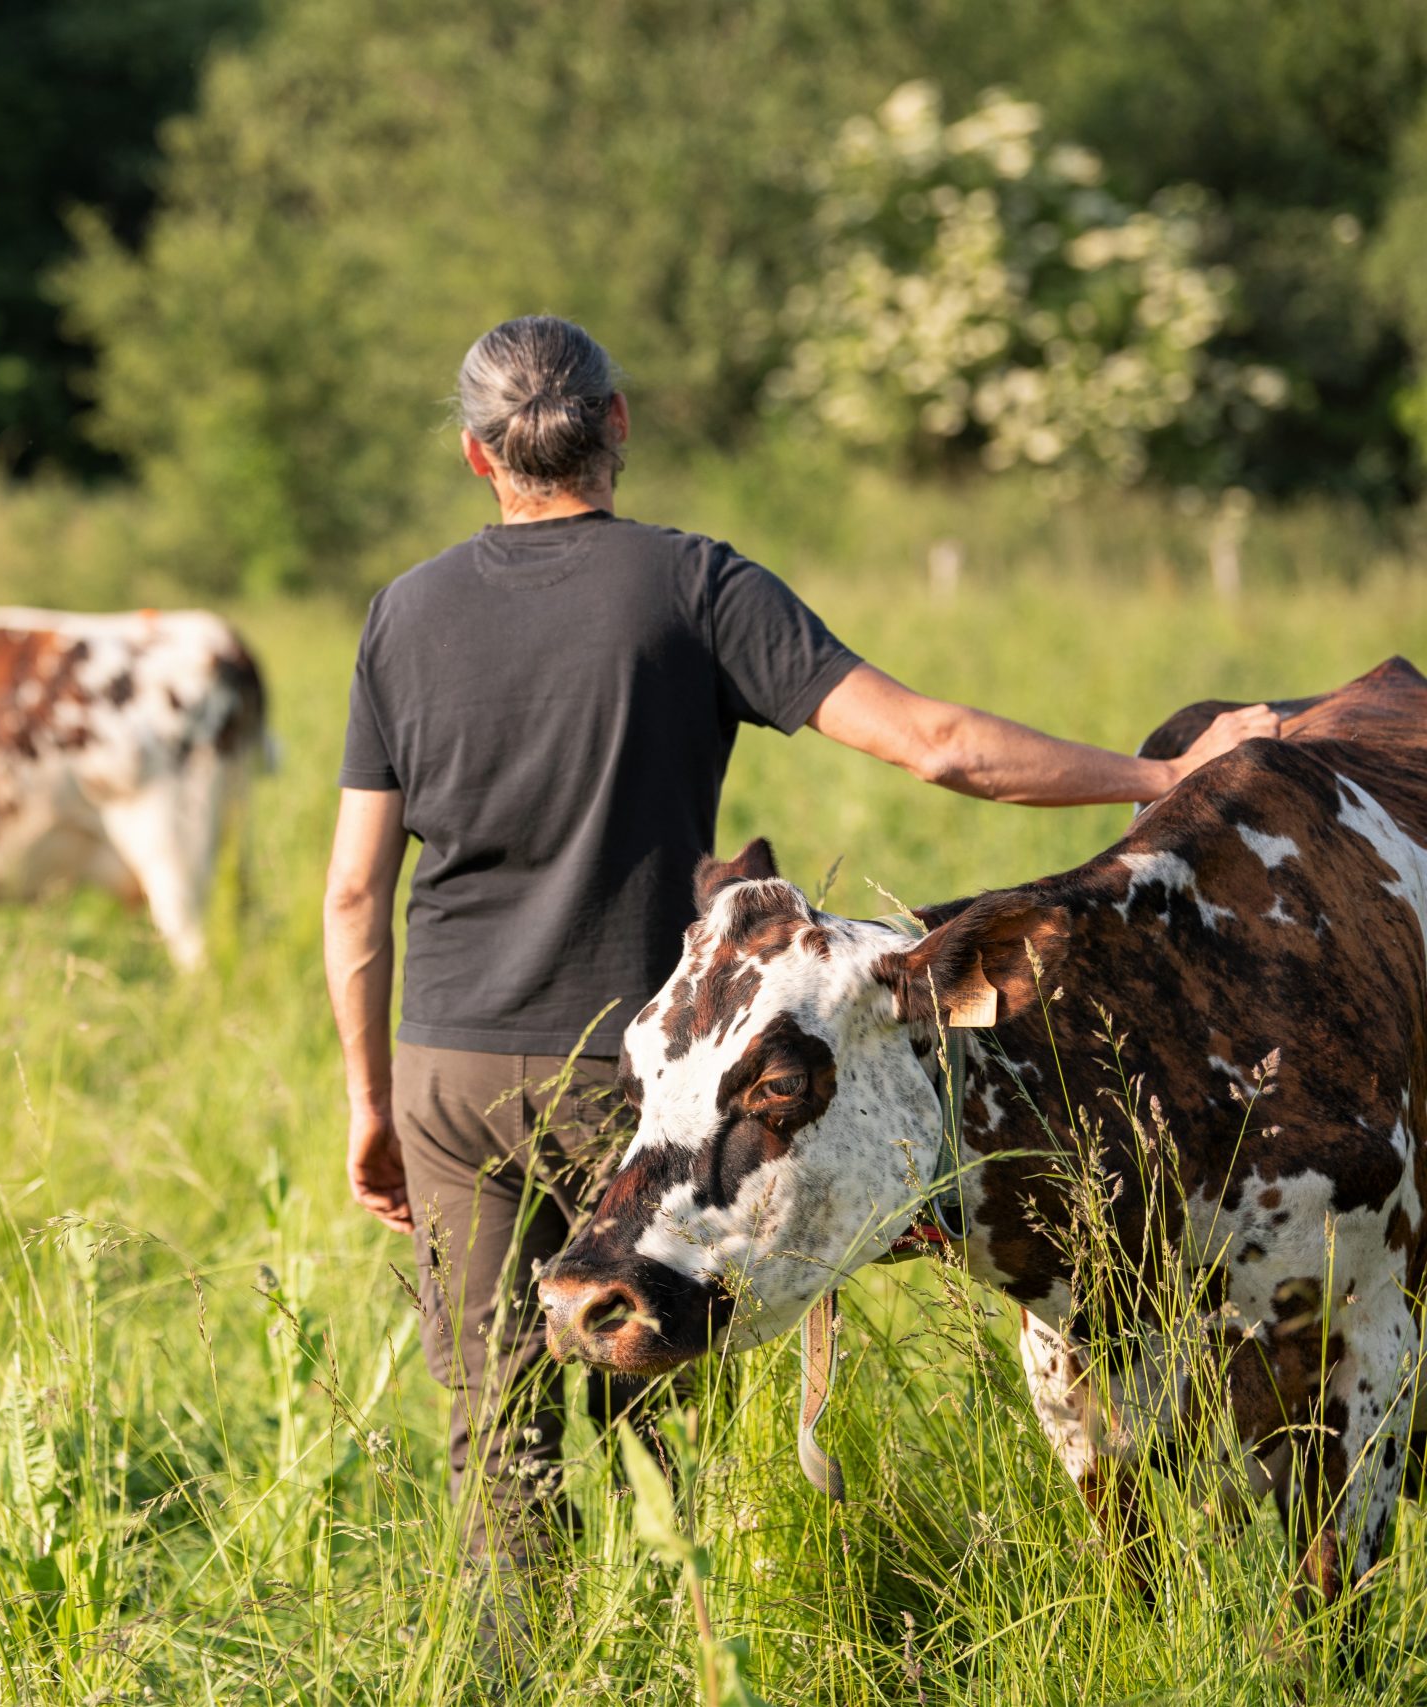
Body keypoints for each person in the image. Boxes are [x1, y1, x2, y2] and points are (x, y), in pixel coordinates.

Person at [322, 315, 1278, 1569]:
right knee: (667, 1393)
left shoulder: (402, 614)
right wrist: (1159, 773)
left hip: (448, 1069)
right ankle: (694, 1654)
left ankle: (521, 1678)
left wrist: (370, 1100)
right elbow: (935, 746)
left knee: (495, 1433)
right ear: (616, 425)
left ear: (474, 455)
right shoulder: (691, 584)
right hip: (654, 1072)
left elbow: (353, 894)